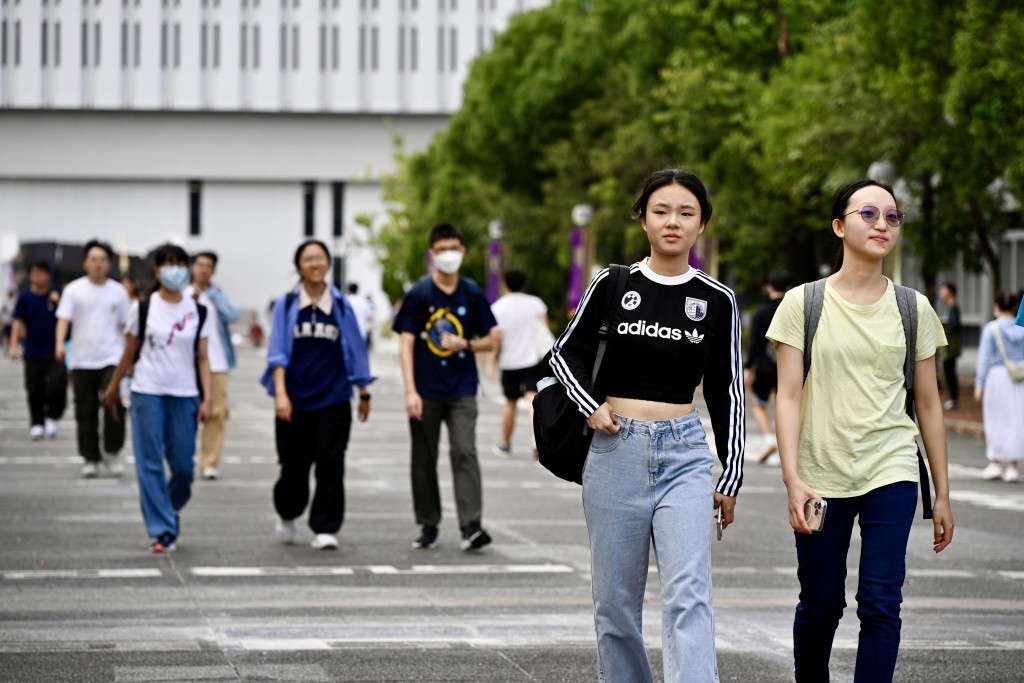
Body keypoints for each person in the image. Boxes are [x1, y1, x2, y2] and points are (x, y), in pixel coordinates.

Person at [550, 168, 745, 682]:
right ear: (643, 218)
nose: (673, 222)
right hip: (616, 452)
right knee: (615, 607)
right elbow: (564, 355)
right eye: (661, 211)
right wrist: (591, 405)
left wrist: (729, 476)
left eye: (686, 212)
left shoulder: (718, 301)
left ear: (702, 223)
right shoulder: (612, 285)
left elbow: (727, 392)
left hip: (685, 454)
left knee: (689, 596)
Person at [767, 179, 954, 683]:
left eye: (892, 217)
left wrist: (940, 493)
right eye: (868, 213)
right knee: (821, 604)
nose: (881, 225)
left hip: (890, 467)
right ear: (839, 226)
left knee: (880, 602)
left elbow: (930, 404)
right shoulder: (803, 305)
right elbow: (787, 395)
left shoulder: (913, 308)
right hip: (819, 471)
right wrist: (791, 479)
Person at [393, 223, 500, 551]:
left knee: (464, 451)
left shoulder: (472, 293)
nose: (448, 255)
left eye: (454, 248)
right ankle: (428, 524)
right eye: (442, 250)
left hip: (462, 389)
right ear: (432, 255)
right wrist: (410, 390)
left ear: (463, 251)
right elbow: (406, 343)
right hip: (425, 390)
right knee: (423, 457)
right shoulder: (420, 293)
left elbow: (493, 339)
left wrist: (465, 344)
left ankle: (471, 525)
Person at [261, 240, 374, 550]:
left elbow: (356, 350)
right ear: (298, 267)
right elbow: (278, 354)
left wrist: (364, 393)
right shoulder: (286, 304)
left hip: (334, 398)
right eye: (308, 259)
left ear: (328, 264)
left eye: (320, 258)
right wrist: (281, 395)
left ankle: (325, 526)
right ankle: (287, 512)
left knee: (331, 462)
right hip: (294, 399)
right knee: (293, 467)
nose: (315, 264)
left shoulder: (340, 304)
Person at [103, 244, 212, 553]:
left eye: (179, 263)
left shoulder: (198, 309)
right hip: (147, 391)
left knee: (183, 466)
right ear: (156, 270)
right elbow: (128, 351)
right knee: (149, 463)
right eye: (167, 264)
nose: (173, 269)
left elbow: (203, 357)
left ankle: (167, 506)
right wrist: (113, 388)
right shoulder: (143, 307)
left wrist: (209, 399)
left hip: (185, 393)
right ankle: (161, 529)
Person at [55, 240, 131, 478]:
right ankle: (90, 457)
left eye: (102, 260)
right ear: (85, 262)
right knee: (85, 411)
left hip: (111, 357)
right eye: (93, 259)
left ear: (109, 263)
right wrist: (59, 344)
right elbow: (64, 320)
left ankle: (113, 450)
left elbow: (126, 325)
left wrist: (131, 355)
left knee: (114, 405)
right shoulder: (73, 290)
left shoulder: (118, 291)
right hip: (81, 359)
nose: (98, 264)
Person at [185, 251, 241, 481]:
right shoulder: (182, 293)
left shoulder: (217, 295)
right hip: (187, 363)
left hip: (217, 362)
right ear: (192, 267)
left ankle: (208, 461)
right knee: (187, 412)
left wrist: (212, 294)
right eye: (199, 265)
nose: (203, 270)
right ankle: (184, 458)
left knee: (217, 413)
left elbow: (233, 314)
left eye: (208, 266)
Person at [486, 267, 549, 458]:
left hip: (509, 362)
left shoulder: (498, 307)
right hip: (532, 360)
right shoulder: (536, 304)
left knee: (510, 402)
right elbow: (544, 331)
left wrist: (490, 362)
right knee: (532, 400)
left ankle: (505, 444)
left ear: (505, 284)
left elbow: (494, 339)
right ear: (524, 283)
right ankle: (536, 440)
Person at [8, 261, 66, 440]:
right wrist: (13, 345)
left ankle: (52, 415)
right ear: (30, 275)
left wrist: (59, 301)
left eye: (42, 273)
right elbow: (17, 321)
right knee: (34, 389)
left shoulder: (56, 294)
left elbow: (67, 316)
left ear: (48, 275)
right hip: (33, 350)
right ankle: (37, 423)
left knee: (57, 385)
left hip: (55, 349)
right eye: (35, 273)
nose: (39, 277)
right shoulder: (25, 297)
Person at [974, 290, 1024, 483]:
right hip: (1019, 378)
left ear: (996, 307)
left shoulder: (991, 329)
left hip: (996, 377)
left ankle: (995, 463)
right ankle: (1013, 466)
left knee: (995, 420)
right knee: (1017, 420)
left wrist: (979, 384)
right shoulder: (1022, 328)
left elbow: (984, 359)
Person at [744, 270, 790, 466]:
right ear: (789, 288)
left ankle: (768, 439)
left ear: (769, 287)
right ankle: (786, 445)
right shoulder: (792, 310)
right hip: (788, 368)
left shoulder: (761, 312)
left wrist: (747, 368)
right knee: (786, 405)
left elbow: (754, 343)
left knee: (759, 403)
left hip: (763, 367)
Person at [938, 282, 962, 410]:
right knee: (949, 371)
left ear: (950, 292)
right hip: (948, 347)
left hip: (950, 348)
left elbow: (953, 327)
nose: (941, 291)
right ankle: (953, 398)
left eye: (944, 289)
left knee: (950, 372)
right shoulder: (950, 307)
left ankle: (954, 399)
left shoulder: (953, 308)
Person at [346, 282, 375, 353]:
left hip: (347, 332)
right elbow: (370, 317)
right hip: (361, 332)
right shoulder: (363, 301)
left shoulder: (345, 300)